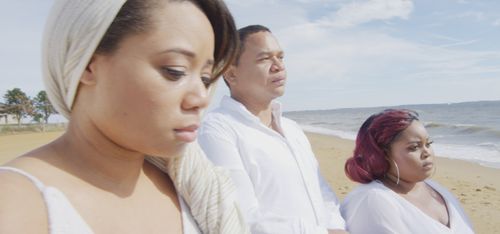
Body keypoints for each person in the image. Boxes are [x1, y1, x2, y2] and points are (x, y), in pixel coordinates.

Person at [0, 0, 249, 233]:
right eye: (175, 71)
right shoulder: (17, 203)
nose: (202, 98)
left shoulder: (195, 189)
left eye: (205, 79)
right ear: (87, 64)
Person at [198, 25, 347, 234]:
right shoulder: (217, 130)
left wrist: (336, 227)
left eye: (281, 57)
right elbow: (241, 217)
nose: (278, 66)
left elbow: (322, 192)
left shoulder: (292, 129)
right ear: (231, 74)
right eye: (264, 59)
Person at [341, 109, 474, 234]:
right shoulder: (373, 200)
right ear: (382, 154)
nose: (427, 152)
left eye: (428, 143)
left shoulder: (435, 189)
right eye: (414, 147)